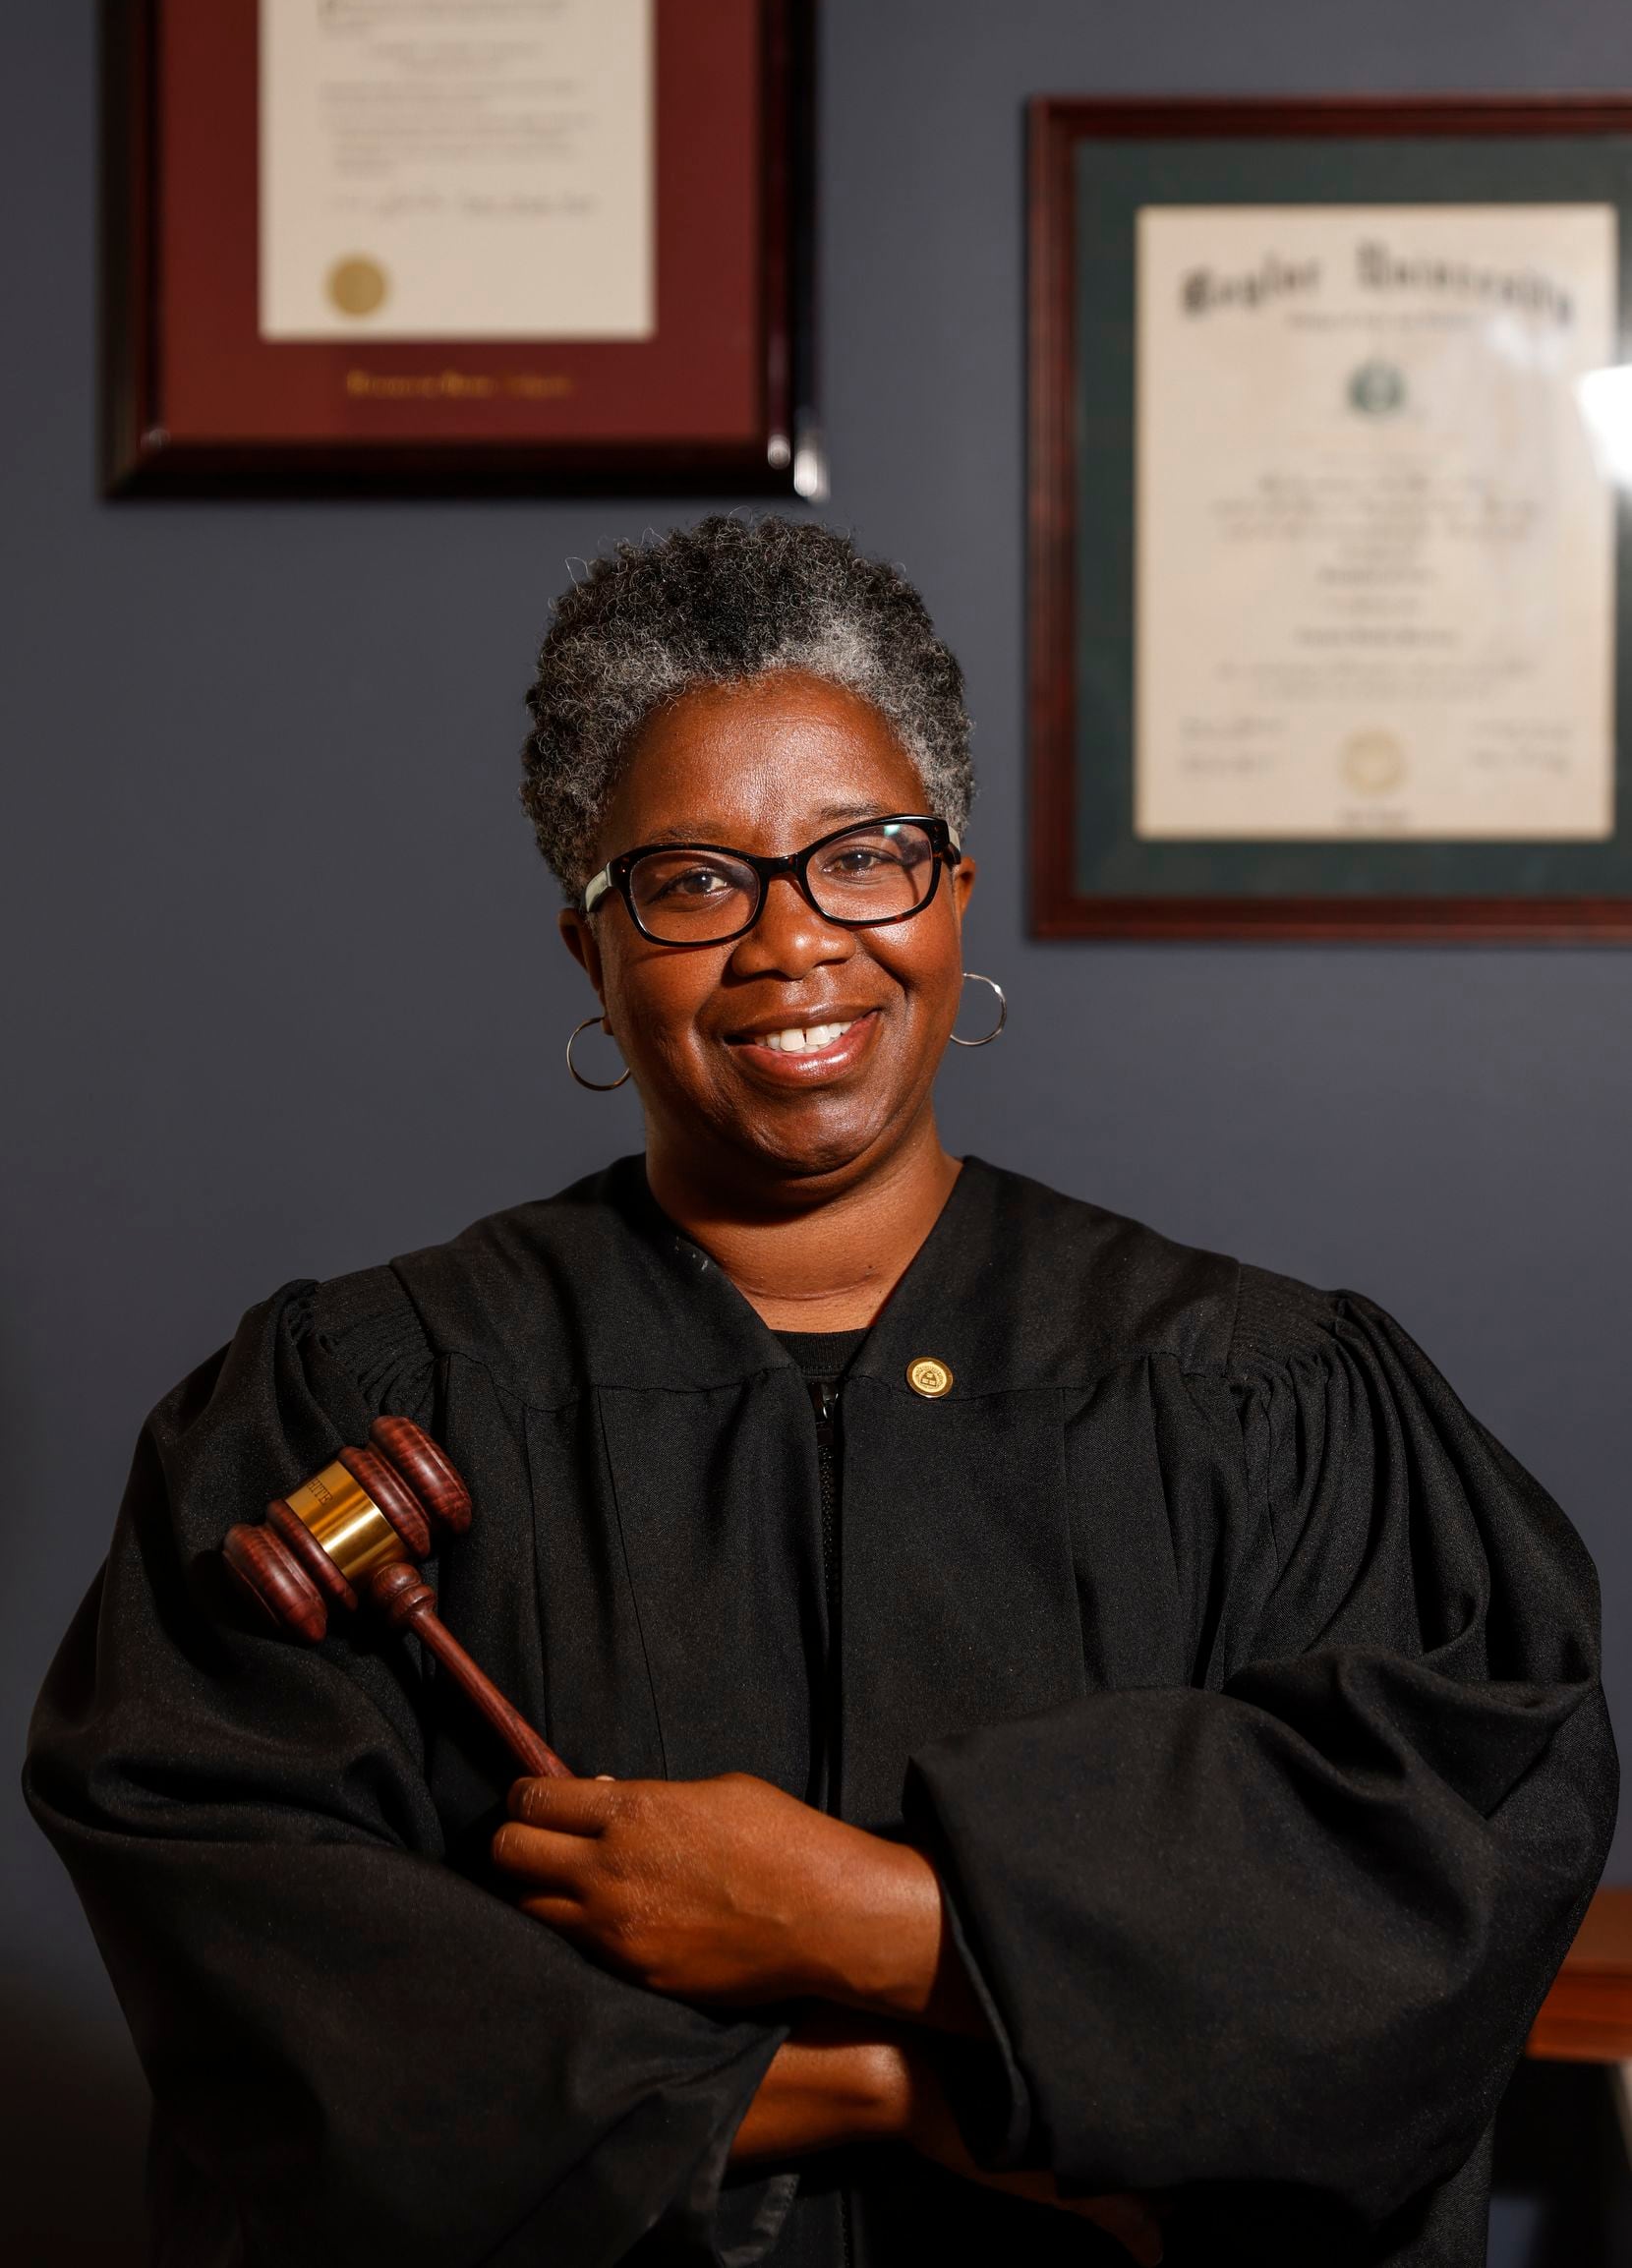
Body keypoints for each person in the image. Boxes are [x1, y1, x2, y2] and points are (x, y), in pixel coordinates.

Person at [27, 516, 1615, 2268]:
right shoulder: (365, 1393)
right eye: (694, 881)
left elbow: (1430, 1891)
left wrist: (875, 1917)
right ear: (593, 953)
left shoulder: (1257, 1396)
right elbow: (263, 1946)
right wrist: (880, 2090)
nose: (792, 944)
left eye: (863, 857)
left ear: (951, 888)